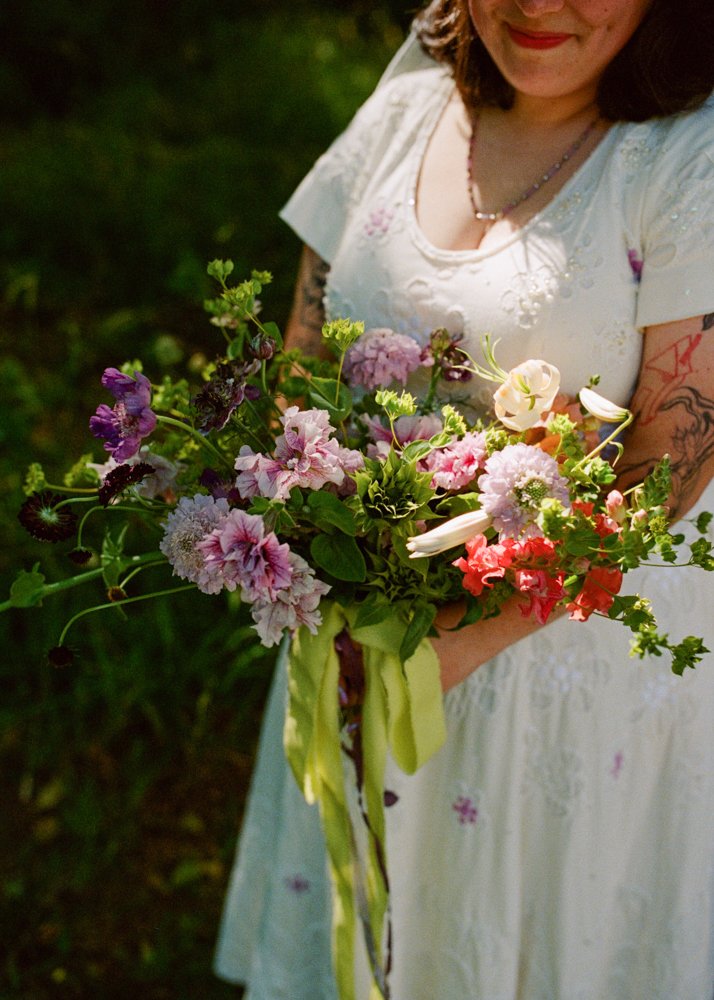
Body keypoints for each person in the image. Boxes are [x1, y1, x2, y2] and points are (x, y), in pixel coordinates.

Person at [215, 1, 714, 997]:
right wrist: (305, 546)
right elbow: (303, 359)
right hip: (356, 640)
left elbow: (674, 448)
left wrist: (457, 637)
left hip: (557, 677)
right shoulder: (404, 108)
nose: (537, 3)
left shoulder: (685, 156)